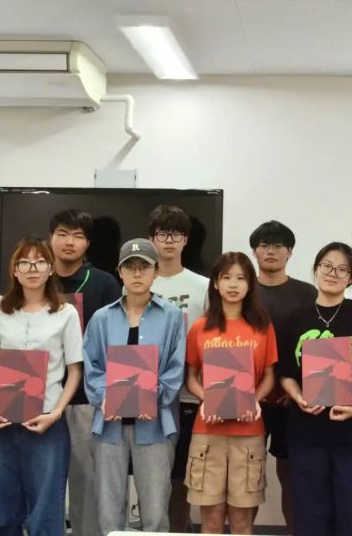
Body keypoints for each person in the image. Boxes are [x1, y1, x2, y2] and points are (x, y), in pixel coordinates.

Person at [277, 242, 352, 536]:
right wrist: (298, 397)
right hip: (307, 431)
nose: (333, 273)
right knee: (310, 515)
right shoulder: (296, 318)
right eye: (327, 266)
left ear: (351, 278)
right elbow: (286, 373)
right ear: (316, 269)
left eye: (342, 269)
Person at [0, 238, 83, 536]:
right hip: (1, 422)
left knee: (45, 513)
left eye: (39, 262)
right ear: (15, 270)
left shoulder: (66, 313)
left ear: (50, 269)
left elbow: (74, 370)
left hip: (46, 422)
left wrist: (56, 413)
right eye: (24, 262)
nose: (32, 269)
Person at [83, 239, 185, 534]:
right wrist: (105, 397)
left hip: (155, 424)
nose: (137, 273)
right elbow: (91, 365)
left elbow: (176, 368)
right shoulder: (102, 318)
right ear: (120, 272)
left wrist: (149, 398)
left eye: (144, 267)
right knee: (108, 512)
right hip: (109, 424)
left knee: (155, 513)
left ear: (156, 272)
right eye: (130, 267)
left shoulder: (172, 316)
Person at [184, 252, 277, 534]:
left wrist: (254, 400)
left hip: (248, 432)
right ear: (215, 283)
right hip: (208, 431)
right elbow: (190, 377)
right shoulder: (200, 327)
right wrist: (206, 398)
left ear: (250, 284)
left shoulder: (262, 327)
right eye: (226, 277)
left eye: (240, 278)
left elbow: (270, 376)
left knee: (241, 520)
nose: (233, 284)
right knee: (211, 519)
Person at [48, 209, 122, 536]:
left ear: (88, 243)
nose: (69, 242)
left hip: (86, 398)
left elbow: (116, 340)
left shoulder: (105, 283)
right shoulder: (36, 279)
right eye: (62, 234)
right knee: (43, 480)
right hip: (41, 397)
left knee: (86, 482)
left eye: (78, 236)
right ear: (50, 238)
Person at [249, 220, 317, 530]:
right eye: (264, 245)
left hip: (293, 399)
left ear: (290, 252)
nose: (271, 251)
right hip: (249, 398)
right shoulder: (243, 290)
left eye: (278, 245)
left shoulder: (307, 293)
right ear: (254, 251)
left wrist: (302, 390)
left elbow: (316, 344)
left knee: (291, 474)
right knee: (247, 475)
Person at [148, 204, 210, 533]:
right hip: (148, 394)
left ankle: (179, 528)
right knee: (151, 473)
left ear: (186, 240)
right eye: (162, 233)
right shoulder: (138, 283)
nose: (169, 240)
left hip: (189, 394)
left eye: (176, 234)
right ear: (152, 239)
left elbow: (212, 340)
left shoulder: (203, 286)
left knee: (183, 474)